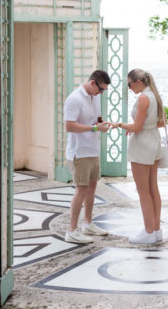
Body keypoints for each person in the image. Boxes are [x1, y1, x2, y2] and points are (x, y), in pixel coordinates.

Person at [111, 68, 166, 244]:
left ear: (138, 82)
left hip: (142, 145)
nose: (129, 87)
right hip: (153, 142)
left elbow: (136, 127)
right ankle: (156, 230)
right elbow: (161, 122)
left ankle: (148, 231)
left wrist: (119, 124)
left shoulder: (143, 98)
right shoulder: (154, 95)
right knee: (152, 188)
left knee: (143, 191)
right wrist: (139, 127)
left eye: (129, 84)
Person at [64, 69, 111, 244]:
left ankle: (88, 223)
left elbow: (96, 119)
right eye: (101, 89)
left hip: (93, 149)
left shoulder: (95, 96)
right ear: (93, 83)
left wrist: (101, 124)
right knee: (81, 189)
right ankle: (71, 231)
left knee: (92, 187)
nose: (101, 93)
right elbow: (69, 126)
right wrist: (94, 128)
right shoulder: (74, 99)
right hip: (79, 152)